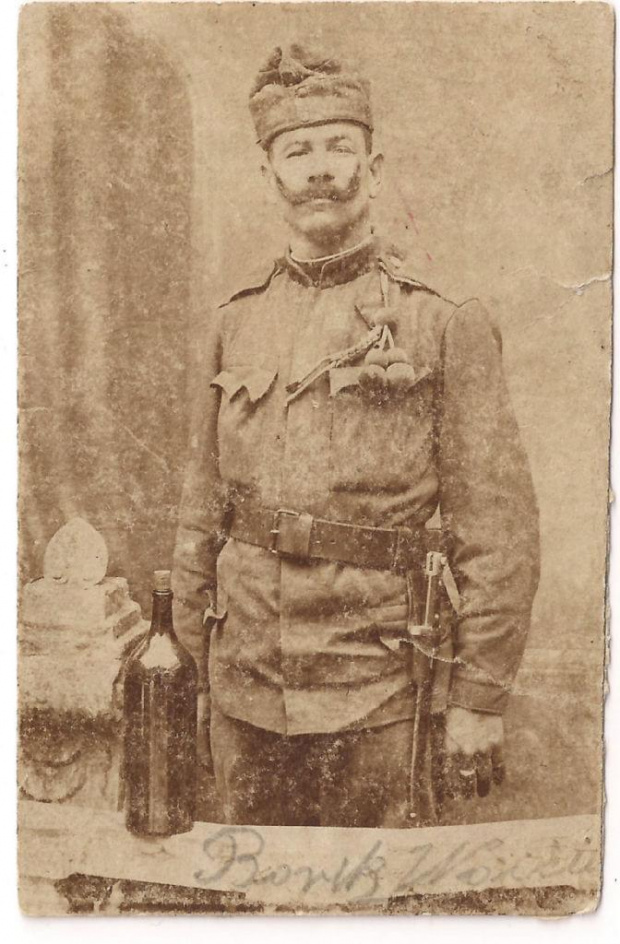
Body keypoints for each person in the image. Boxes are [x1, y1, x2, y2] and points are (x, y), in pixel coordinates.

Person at [172, 44, 540, 828]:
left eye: (337, 147)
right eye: (296, 152)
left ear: (372, 169)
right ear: (268, 176)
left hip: (382, 690)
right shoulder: (234, 322)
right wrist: (194, 674)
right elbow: (199, 511)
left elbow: (498, 529)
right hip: (244, 686)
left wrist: (479, 697)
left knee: (379, 889)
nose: (318, 171)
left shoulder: (442, 321)